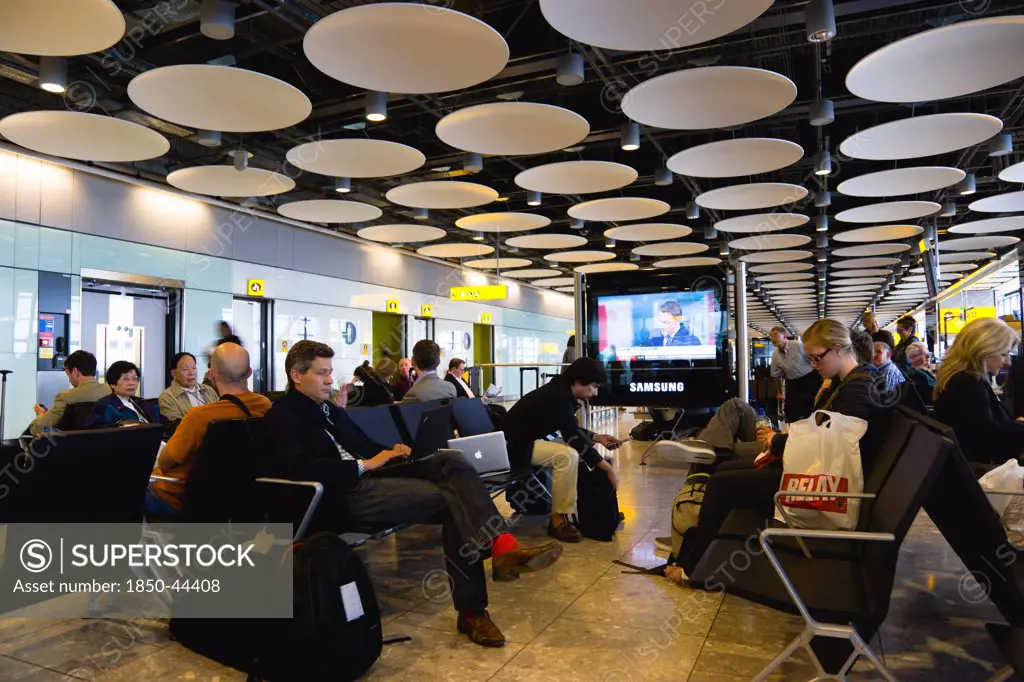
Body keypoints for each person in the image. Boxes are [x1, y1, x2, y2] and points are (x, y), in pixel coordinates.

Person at [264, 340, 564, 647]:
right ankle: (477, 603)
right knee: (454, 502)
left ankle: (497, 551)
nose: (330, 379)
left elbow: (363, 443)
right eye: (321, 373)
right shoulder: (283, 415)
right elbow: (300, 468)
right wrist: (364, 464)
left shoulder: (328, 410)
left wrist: (391, 452)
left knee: (452, 460)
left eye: (330, 372)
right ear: (296, 375)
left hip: (374, 477)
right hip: (346, 495)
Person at [666, 319, 893, 582]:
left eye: (817, 358)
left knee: (720, 482)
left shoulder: (856, 390)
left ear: (840, 349)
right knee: (726, 470)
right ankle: (706, 548)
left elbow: (829, 443)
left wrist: (777, 442)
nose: (814, 365)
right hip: (820, 472)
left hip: (824, 485)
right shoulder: (850, 382)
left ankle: (694, 568)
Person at [502, 357, 623, 543]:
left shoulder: (559, 391)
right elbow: (572, 435)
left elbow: (567, 426)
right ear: (578, 380)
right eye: (594, 386)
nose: (595, 392)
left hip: (525, 440)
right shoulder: (558, 396)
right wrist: (608, 469)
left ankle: (589, 509)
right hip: (515, 446)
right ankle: (558, 519)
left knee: (572, 452)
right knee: (567, 456)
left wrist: (596, 437)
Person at [146, 343, 271, 516]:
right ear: (249, 372)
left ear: (211, 374)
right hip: (240, 497)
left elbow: (167, 462)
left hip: (180, 499)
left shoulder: (198, 417)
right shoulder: (265, 406)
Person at [934, 317, 1024, 464]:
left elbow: (981, 425)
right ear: (983, 351)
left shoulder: (960, 379)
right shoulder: (969, 384)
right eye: (1003, 354)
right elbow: (987, 435)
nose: (1007, 362)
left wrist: (1016, 425)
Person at [29, 350, 110, 435]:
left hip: (73, 445)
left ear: (75, 372)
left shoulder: (65, 397)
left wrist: (41, 414)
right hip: (106, 445)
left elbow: (37, 428)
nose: (69, 379)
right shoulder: (110, 391)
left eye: (68, 374)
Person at [768, 326, 822, 423]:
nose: (772, 338)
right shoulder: (775, 355)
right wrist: (779, 392)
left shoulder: (798, 345)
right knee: (790, 411)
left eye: (775, 335)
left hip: (809, 379)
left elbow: (812, 358)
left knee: (810, 409)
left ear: (784, 335)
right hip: (792, 382)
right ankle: (793, 433)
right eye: (771, 336)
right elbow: (776, 375)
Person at [85, 361, 159, 427]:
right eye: (125, 379)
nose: (131, 383)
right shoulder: (105, 405)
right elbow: (96, 432)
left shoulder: (142, 403)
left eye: (134, 378)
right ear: (112, 384)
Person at [158, 352, 219, 422]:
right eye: (185, 369)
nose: (191, 373)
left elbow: (221, 413)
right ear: (174, 374)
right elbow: (177, 426)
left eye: (194, 368)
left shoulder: (208, 390)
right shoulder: (167, 397)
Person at [905, 341, 936, 408]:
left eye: (929, 354)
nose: (928, 357)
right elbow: (934, 397)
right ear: (913, 358)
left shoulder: (914, 373)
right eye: (926, 355)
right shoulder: (918, 375)